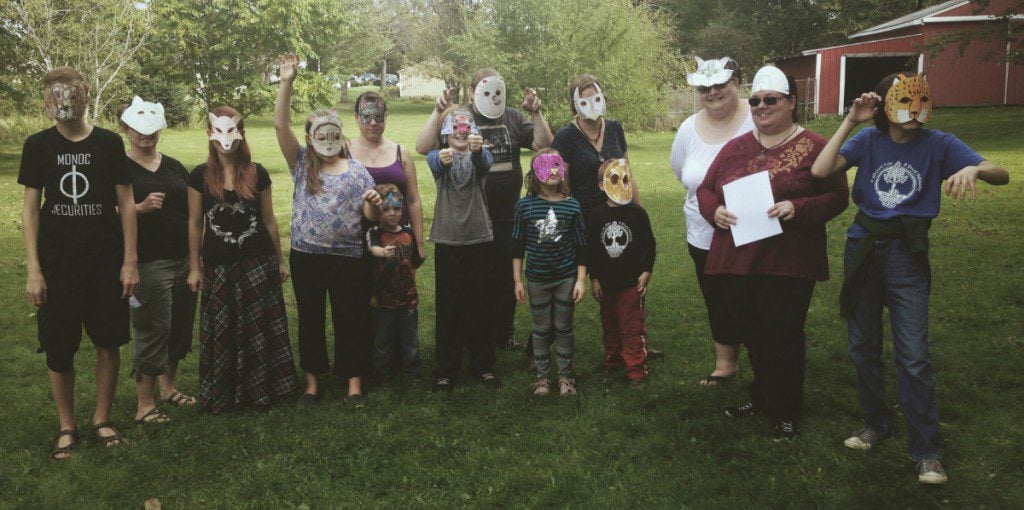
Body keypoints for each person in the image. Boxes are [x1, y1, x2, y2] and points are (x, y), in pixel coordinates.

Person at [810, 72, 1009, 484]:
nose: (914, 108)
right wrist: (851, 120)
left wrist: (975, 170)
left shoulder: (940, 143)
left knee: (913, 355)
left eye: (922, 99)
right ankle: (876, 423)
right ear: (885, 104)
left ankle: (926, 450)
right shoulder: (868, 141)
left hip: (907, 254)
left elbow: (1000, 172)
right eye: (904, 100)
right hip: (863, 248)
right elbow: (820, 169)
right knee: (863, 345)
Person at [696, 66, 849, 441]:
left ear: (792, 102)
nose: (761, 106)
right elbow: (705, 188)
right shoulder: (737, 147)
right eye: (756, 100)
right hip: (739, 259)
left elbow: (837, 196)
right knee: (753, 333)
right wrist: (713, 211)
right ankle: (762, 396)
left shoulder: (815, 145)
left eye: (771, 100)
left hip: (789, 262)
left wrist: (800, 209)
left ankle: (787, 410)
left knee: (783, 334)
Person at [20, 67, 139, 459]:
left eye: (71, 94)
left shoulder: (108, 144)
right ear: (46, 101)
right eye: (56, 95)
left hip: (105, 261)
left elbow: (125, 204)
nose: (65, 102)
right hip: (57, 265)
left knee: (108, 340)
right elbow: (31, 210)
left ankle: (102, 418)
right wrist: (34, 269)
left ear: (86, 96)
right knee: (59, 346)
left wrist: (130, 261)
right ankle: (66, 425)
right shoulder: (38, 145)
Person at [416, 68, 553, 351]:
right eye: (486, 91)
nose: (493, 97)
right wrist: (437, 110)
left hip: (506, 214)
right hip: (471, 217)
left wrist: (536, 113)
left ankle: (503, 332)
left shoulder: (513, 117)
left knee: (504, 276)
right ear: (472, 89)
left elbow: (544, 143)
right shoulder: (461, 116)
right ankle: (470, 336)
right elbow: (423, 146)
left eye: (498, 92)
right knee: (472, 282)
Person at [274, 54, 382, 407]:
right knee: (310, 319)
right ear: (310, 138)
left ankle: (353, 383)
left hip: (349, 259)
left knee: (350, 319)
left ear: (340, 136)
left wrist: (373, 203)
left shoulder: (356, 171)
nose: (327, 139)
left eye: (333, 134)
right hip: (307, 257)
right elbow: (279, 127)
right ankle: (311, 383)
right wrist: (286, 81)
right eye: (320, 134)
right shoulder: (302, 164)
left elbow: (370, 218)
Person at [187, 106, 299, 413]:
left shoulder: (257, 172)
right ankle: (225, 392)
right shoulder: (199, 176)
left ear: (242, 133)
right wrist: (195, 267)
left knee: (258, 329)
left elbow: (269, 220)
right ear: (210, 135)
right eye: (218, 131)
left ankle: (262, 389)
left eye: (232, 130)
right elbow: (196, 223)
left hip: (256, 263)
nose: (226, 138)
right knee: (224, 330)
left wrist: (279, 261)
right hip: (218, 266)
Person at [669, 57, 755, 386]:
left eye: (720, 85)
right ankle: (726, 364)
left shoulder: (756, 115)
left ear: (737, 83)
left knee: (753, 298)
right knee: (717, 297)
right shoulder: (688, 128)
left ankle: (767, 359)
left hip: (752, 231)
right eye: (705, 88)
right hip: (703, 233)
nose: (713, 92)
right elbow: (682, 172)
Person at [118, 96, 198, 425]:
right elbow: (103, 214)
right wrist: (138, 208)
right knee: (153, 328)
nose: (145, 134)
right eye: (137, 128)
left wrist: (197, 260)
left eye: (151, 129)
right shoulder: (120, 170)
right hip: (149, 262)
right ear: (125, 129)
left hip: (184, 259)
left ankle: (168, 387)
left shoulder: (175, 166)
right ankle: (144, 403)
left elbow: (194, 213)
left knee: (179, 327)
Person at [425, 106, 496, 392]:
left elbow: (486, 163)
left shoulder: (481, 154)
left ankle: (484, 364)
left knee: (480, 304)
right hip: (448, 240)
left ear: (474, 132)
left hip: (479, 238)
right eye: (454, 128)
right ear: (445, 135)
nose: (460, 132)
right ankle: (446, 368)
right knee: (449, 307)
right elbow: (432, 159)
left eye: (466, 128)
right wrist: (441, 158)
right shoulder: (438, 156)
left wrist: (478, 151)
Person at [512, 150, 587, 397]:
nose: (553, 171)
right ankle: (542, 378)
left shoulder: (572, 206)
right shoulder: (525, 206)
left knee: (563, 327)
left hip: (566, 277)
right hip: (536, 279)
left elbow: (581, 246)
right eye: (546, 165)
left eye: (557, 165)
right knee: (541, 329)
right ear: (535, 173)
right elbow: (517, 245)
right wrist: (517, 280)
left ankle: (566, 376)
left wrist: (581, 279)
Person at [588, 159, 656, 386]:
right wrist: (594, 278)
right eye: (615, 179)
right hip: (606, 282)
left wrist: (646, 271)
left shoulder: (637, 214)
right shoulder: (595, 216)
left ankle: (635, 368)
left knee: (631, 325)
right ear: (601, 185)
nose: (621, 183)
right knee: (609, 324)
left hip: (631, 282)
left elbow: (649, 245)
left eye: (625, 178)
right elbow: (592, 250)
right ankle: (614, 360)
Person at [349, 91, 425, 259]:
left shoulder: (401, 153)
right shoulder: (344, 152)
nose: (374, 122)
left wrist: (418, 243)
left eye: (379, 116)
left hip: (398, 242)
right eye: (367, 116)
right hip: (358, 245)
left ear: (385, 116)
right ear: (356, 116)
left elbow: (413, 200)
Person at [366, 184, 424, 382]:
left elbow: (416, 259)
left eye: (397, 209)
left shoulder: (408, 232)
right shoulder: (374, 232)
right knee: (383, 340)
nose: (392, 213)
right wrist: (383, 252)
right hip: (383, 299)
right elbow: (372, 249)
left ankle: (412, 373)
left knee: (411, 340)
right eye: (386, 208)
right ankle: (381, 374)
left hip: (408, 298)